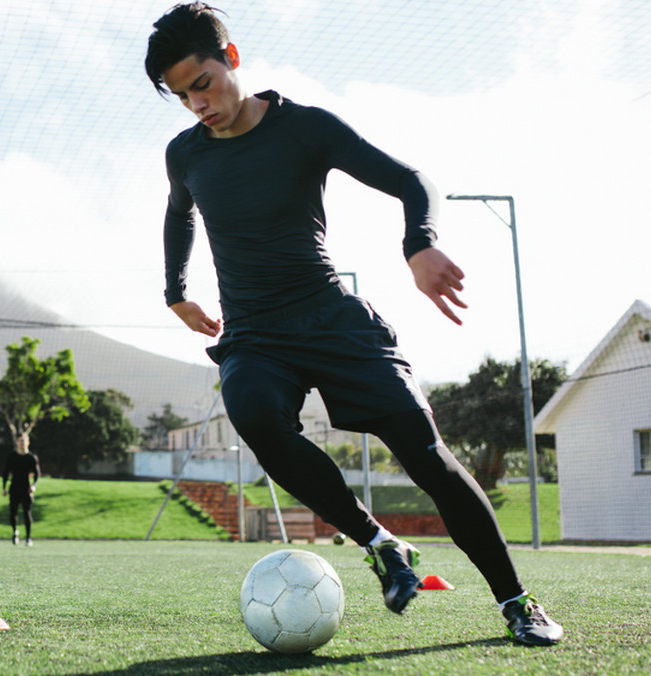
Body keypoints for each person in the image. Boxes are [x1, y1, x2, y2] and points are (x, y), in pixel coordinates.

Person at [144, 3, 562, 646]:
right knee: (252, 411)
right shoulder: (186, 154)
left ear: (230, 59)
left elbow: (410, 178)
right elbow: (180, 215)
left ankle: (518, 602)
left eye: (201, 83)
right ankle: (380, 543)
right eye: (180, 96)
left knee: (429, 459)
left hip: (332, 318)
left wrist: (419, 244)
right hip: (255, 333)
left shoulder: (304, 128)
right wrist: (176, 291)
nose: (196, 103)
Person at [1, 435, 41, 546]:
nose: (22, 443)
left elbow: (37, 474)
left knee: (27, 512)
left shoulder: (31, 457)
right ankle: (15, 532)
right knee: (12, 512)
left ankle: (28, 538)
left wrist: (33, 485)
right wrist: (4, 487)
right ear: (17, 443)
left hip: (26, 488)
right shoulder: (12, 456)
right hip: (14, 488)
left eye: (24, 441)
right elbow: (5, 472)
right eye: (20, 441)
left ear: (28, 442)